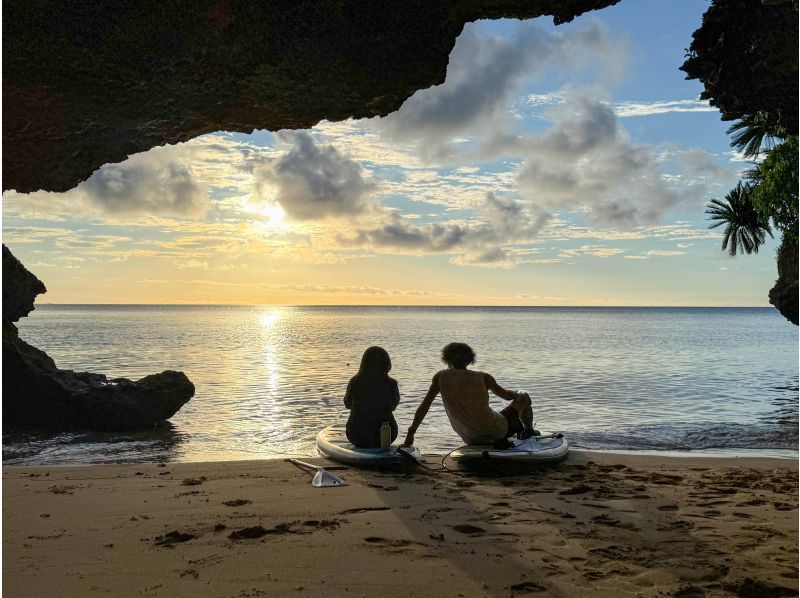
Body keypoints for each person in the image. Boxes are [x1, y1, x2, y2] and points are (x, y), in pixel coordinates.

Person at [401, 342, 535, 448]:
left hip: (469, 437)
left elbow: (424, 407)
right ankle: (528, 431)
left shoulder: (440, 377)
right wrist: (517, 392)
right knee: (523, 396)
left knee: (495, 417)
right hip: (495, 430)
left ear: (446, 358)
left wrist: (410, 434)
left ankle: (517, 432)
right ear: (470, 359)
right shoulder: (484, 377)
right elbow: (507, 396)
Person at [344, 346, 400, 448]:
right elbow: (393, 406)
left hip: (356, 434)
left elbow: (347, 404)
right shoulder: (391, 383)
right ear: (386, 363)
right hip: (387, 435)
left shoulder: (355, 381)